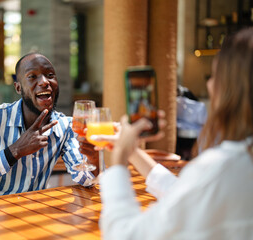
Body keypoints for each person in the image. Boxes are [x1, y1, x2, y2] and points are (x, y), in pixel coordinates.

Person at [96, 28, 253, 239]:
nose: (209, 83)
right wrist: (132, 152)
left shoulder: (222, 167)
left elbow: (125, 234)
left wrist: (118, 163)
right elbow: (189, 197)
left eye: (215, 76)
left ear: (234, 90)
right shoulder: (237, 165)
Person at [0, 53, 98, 200]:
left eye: (50, 75)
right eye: (32, 76)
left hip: (31, 213)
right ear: (18, 88)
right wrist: (14, 152)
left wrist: (94, 158)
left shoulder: (65, 126)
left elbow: (86, 180)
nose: (44, 81)